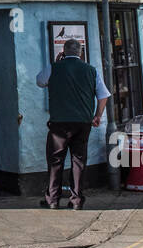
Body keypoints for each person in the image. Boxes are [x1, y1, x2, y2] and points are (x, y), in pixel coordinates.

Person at [35, 38, 109, 210]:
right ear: (80, 52)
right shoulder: (91, 70)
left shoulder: (54, 68)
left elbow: (40, 81)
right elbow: (103, 95)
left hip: (59, 123)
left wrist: (55, 63)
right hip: (83, 122)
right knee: (79, 160)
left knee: (55, 160)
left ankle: (52, 200)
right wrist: (97, 115)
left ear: (64, 51)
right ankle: (76, 201)